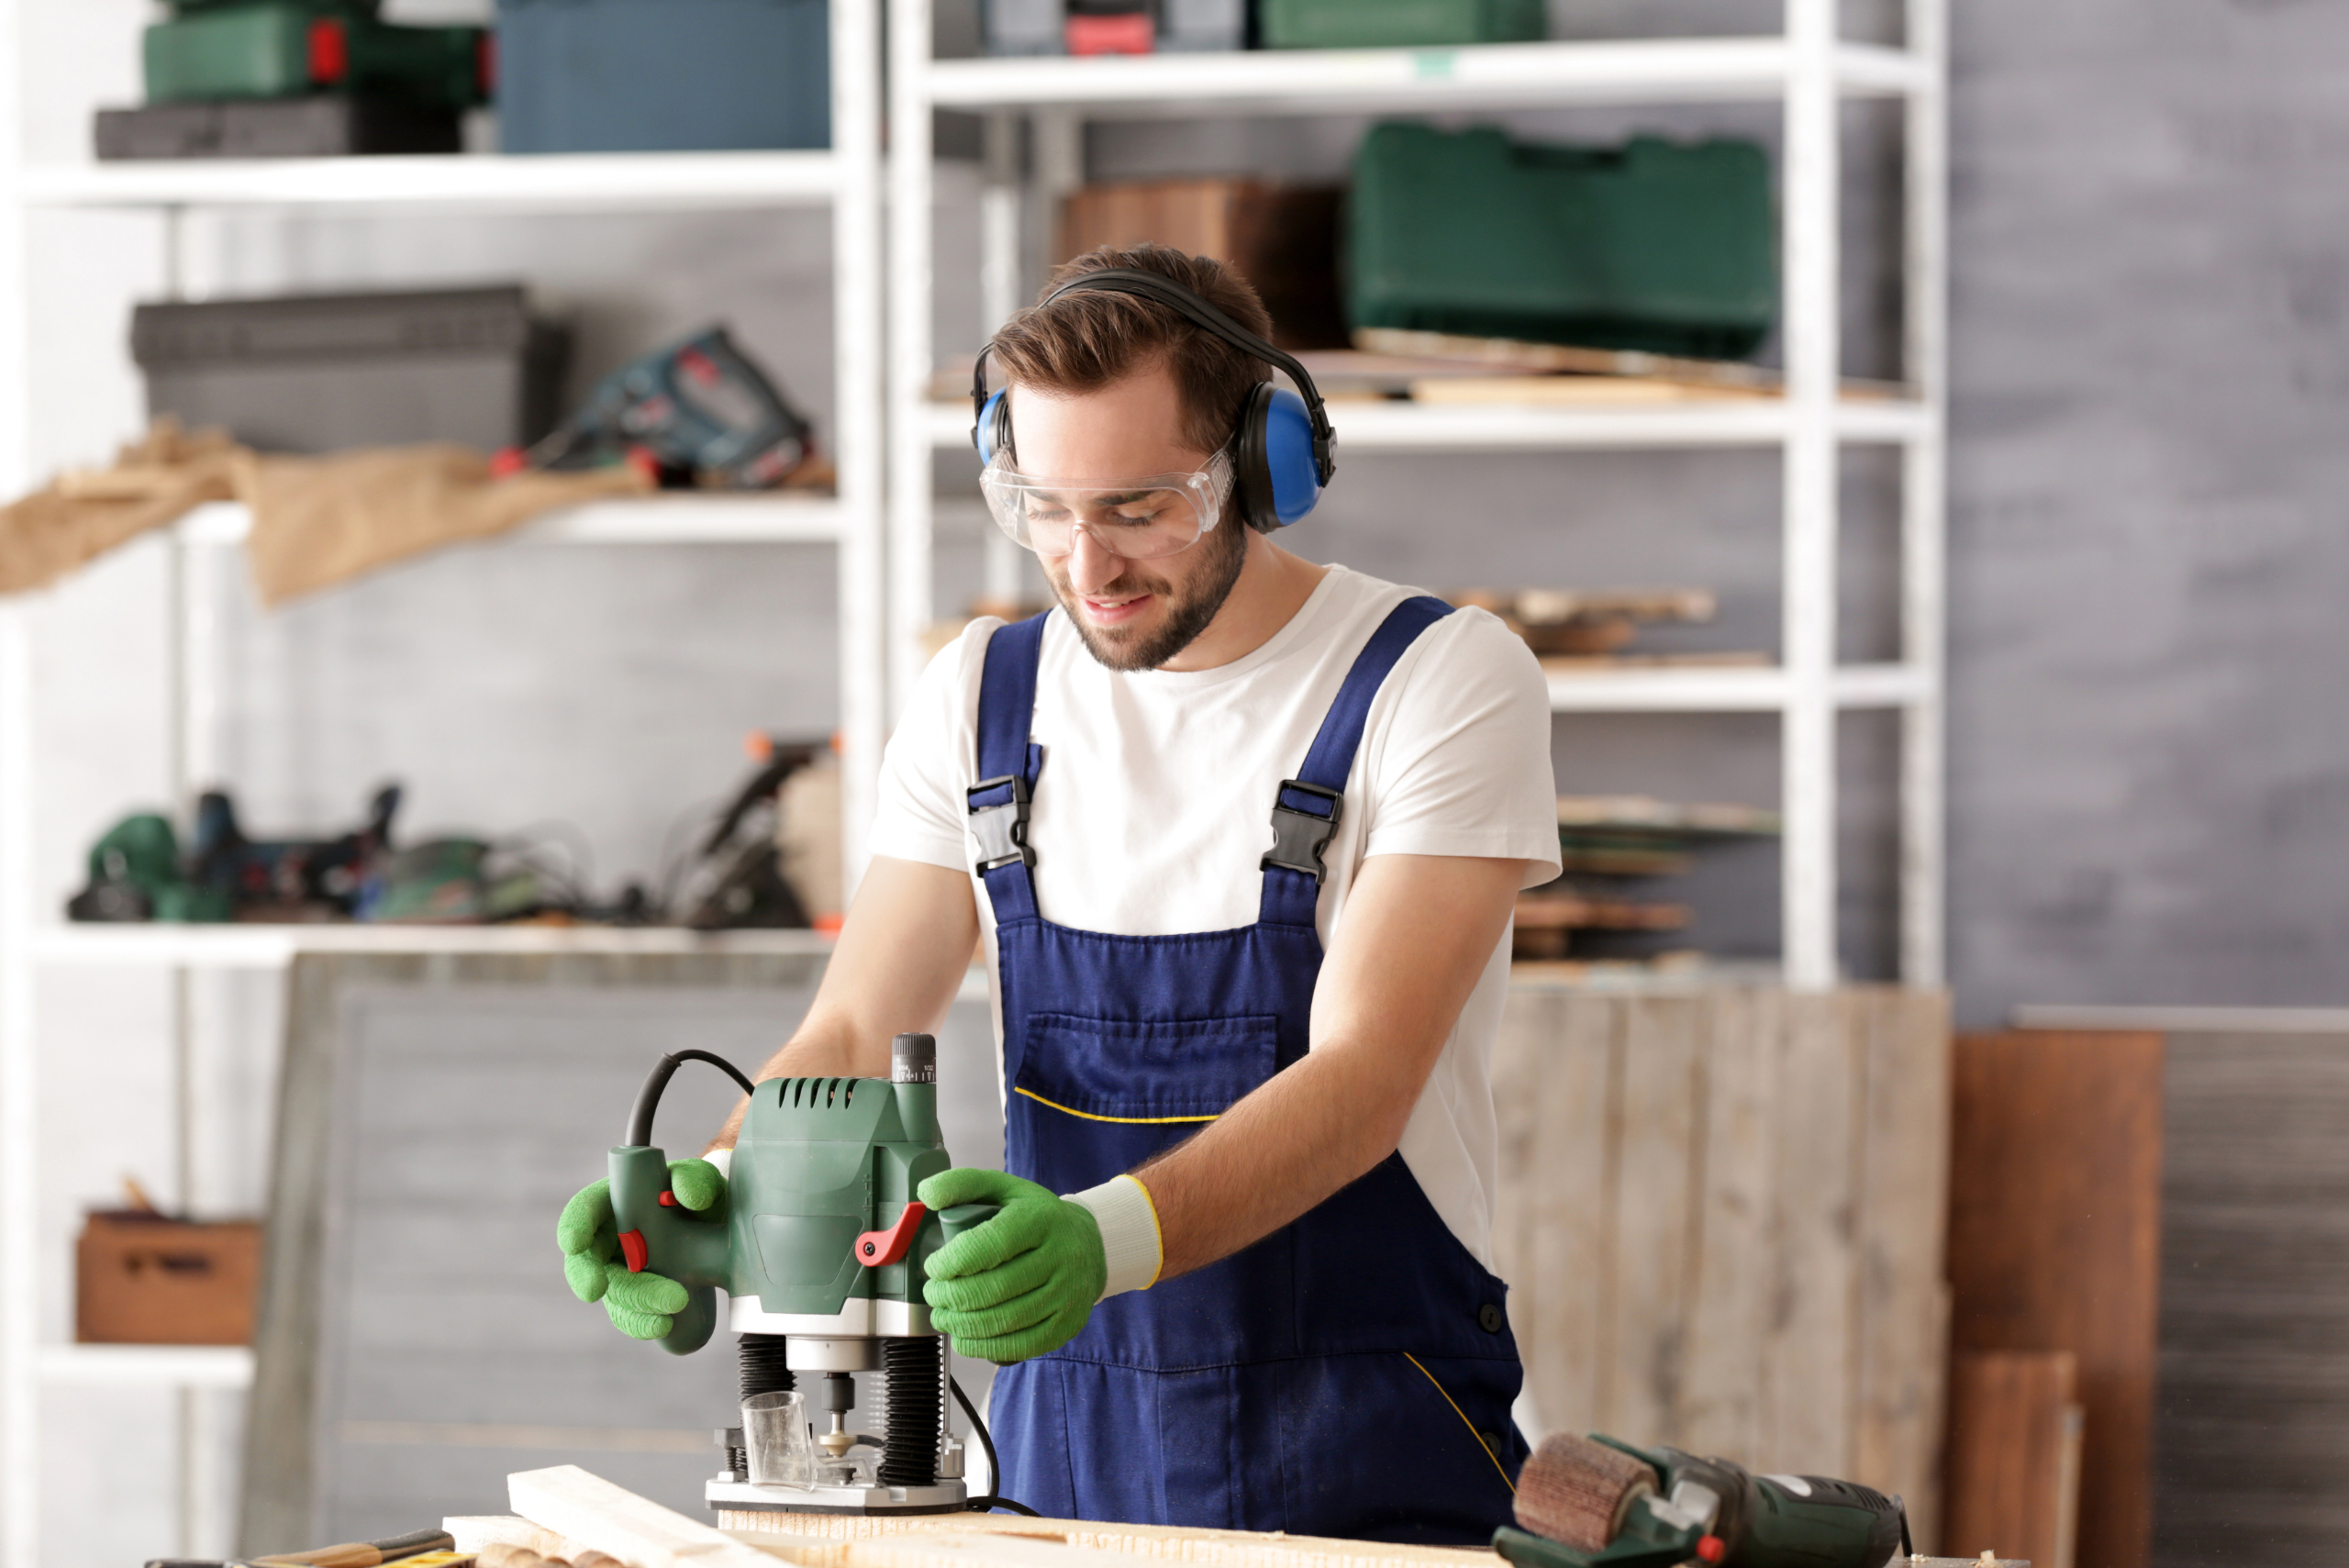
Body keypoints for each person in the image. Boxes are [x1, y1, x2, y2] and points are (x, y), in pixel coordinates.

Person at [559, 245, 1562, 1543]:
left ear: (1263, 466)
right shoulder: (982, 698)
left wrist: (1103, 1245)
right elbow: (856, 1036)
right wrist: (720, 1191)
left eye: (1142, 506)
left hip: (1365, 1453)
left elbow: (1368, 1077)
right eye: (1041, 505)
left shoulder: (1438, 681)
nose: (1088, 563)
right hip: (1059, 1470)